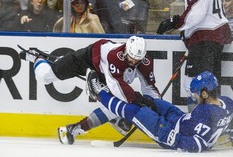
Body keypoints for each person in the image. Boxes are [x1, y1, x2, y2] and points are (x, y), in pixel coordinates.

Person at [19, 36, 161, 144]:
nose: (134, 62)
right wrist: (140, 101)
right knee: (44, 76)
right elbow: (118, 88)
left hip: (107, 74)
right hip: (87, 59)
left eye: (138, 59)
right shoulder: (115, 56)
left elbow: (149, 87)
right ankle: (37, 57)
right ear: (125, 50)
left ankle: (77, 128)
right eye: (131, 58)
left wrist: (157, 105)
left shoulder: (145, 61)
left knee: (119, 106)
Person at [91, 71, 233, 152]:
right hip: (180, 119)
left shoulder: (205, 113)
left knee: (133, 111)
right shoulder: (227, 103)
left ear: (205, 93)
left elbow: (198, 145)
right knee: (148, 101)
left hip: (167, 131)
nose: (194, 97)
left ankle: (99, 93)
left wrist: (172, 138)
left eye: (196, 93)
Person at [157, 0, 232, 112]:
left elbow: (196, 10)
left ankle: (198, 122)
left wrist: (175, 22)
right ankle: (215, 122)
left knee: (195, 83)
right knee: (210, 83)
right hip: (216, 36)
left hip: (205, 37)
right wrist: (187, 33)